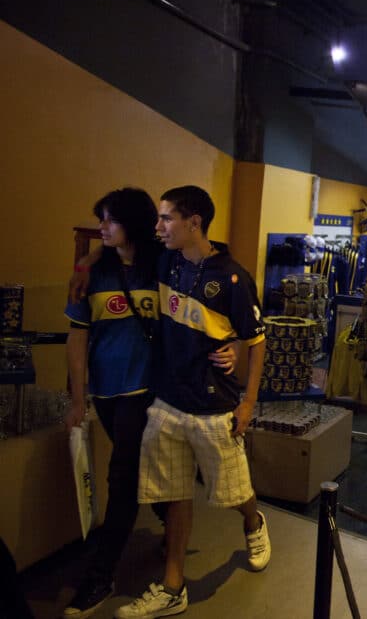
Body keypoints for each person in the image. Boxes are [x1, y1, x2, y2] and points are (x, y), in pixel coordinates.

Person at [62, 188, 234, 618]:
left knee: (121, 477)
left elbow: (208, 271)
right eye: (100, 220)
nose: (103, 228)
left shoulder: (161, 266)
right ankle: (170, 522)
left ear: (131, 224)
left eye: (110, 220)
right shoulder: (94, 273)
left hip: (147, 389)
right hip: (105, 390)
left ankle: (100, 575)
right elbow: (77, 337)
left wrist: (230, 347)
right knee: (138, 469)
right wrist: (78, 398)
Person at [115, 186, 268, 618]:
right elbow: (112, 242)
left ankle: (253, 521)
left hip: (214, 404)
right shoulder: (165, 261)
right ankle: (172, 585)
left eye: (167, 218)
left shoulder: (234, 278)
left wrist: (247, 402)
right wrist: (88, 260)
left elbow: (257, 341)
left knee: (232, 491)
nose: (158, 226)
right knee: (174, 492)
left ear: (194, 221)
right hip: (167, 400)